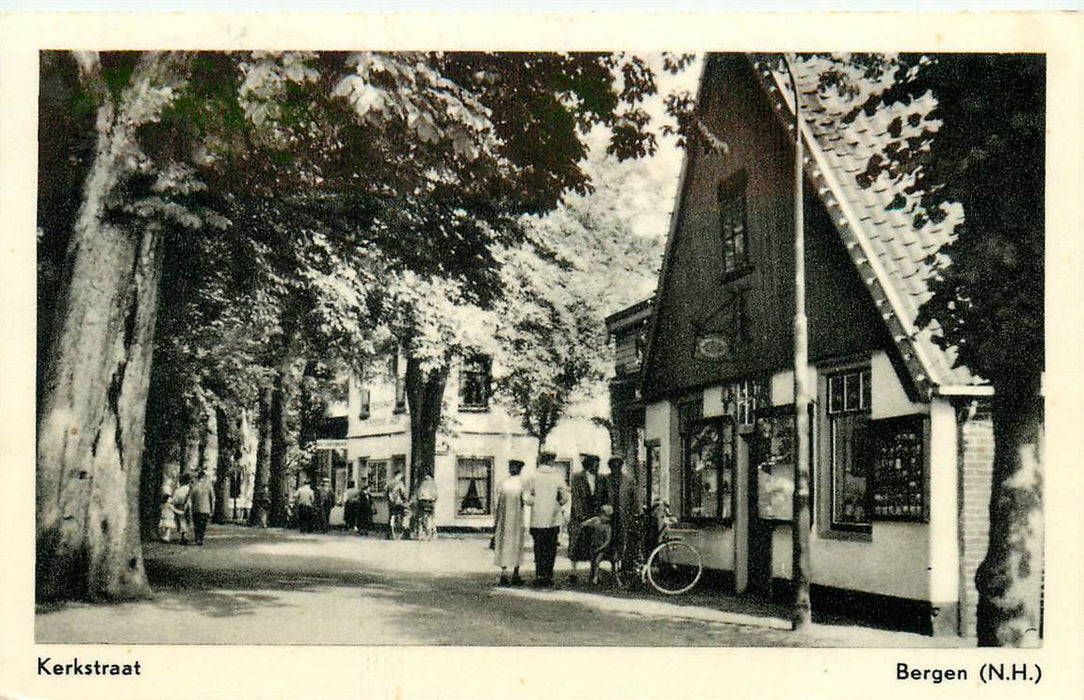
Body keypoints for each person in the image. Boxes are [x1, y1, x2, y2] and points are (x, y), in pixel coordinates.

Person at [524, 452, 570, 588]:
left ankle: (539, 575)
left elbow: (526, 497)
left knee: (539, 547)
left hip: (537, 517)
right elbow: (565, 496)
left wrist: (535, 501)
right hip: (553, 517)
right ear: (551, 461)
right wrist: (558, 503)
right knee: (551, 547)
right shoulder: (557, 477)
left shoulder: (532, 476)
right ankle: (548, 575)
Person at [568, 453, 603, 584]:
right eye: (595, 465)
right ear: (589, 465)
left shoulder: (600, 479)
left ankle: (594, 572)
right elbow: (576, 498)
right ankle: (573, 572)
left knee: (595, 543)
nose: (597, 468)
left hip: (595, 514)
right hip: (580, 514)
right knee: (576, 543)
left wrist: (599, 515)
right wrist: (581, 516)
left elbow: (601, 496)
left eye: (598, 465)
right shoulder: (577, 477)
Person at [492, 459, 527, 586]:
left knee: (505, 543)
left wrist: (496, 520)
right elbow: (527, 500)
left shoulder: (503, 483)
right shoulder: (523, 484)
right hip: (517, 520)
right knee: (516, 544)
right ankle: (514, 573)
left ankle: (504, 573)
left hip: (504, 519)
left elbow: (496, 502)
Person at [604, 457, 640, 576]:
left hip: (624, 516)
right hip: (609, 517)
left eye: (618, 466)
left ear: (621, 466)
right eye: (613, 466)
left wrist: (635, 513)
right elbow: (601, 497)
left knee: (624, 540)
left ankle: (624, 565)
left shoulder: (628, 480)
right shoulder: (605, 480)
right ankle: (612, 565)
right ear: (610, 467)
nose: (615, 468)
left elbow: (634, 498)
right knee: (610, 541)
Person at [577, 504, 614, 585]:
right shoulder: (596, 520)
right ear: (601, 514)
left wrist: (601, 548)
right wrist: (584, 524)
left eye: (608, 517)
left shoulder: (607, 527)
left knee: (597, 561)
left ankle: (595, 578)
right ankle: (592, 574)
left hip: (602, 547)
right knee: (593, 561)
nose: (607, 519)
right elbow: (586, 523)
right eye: (605, 516)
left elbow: (608, 540)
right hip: (593, 544)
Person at [189, 470, 215, 546]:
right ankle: (201, 538)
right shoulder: (208, 486)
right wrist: (212, 508)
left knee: (196, 524)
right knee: (203, 525)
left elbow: (191, 497)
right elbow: (212, 498)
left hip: (196, 508)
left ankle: (197, 538)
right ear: (204, 476)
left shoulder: (194, 486)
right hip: (206, 508)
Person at [170, 473, 193, 545]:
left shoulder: (178, 490)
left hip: (180, 506)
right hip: (188, 506)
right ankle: (185, 535)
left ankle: (183, 535)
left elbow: (174, 500)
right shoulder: (190, 489)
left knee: (181, 520)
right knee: (186, 521)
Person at [385, 469, 409, 539]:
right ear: (398, 475)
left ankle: (388, 534)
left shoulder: (389, 483)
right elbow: (403, 493)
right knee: (407, 514)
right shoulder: (400, 483)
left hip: (391, 503)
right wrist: (405, 499)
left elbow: (385, 492)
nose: (401, 477)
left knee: (390, 516)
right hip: (398, 503)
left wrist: (389, 500)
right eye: (401, 475)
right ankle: (405, 532)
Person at [413, 473, 438, 539]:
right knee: (432, 515)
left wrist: (419, 499)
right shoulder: (433, 484)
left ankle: (419, 533)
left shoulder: (422, 484)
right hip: (430, 502)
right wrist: (434, 500)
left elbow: (419, 494)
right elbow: (436, 495)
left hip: (423, 502)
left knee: (420, 516)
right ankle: (434, 530)